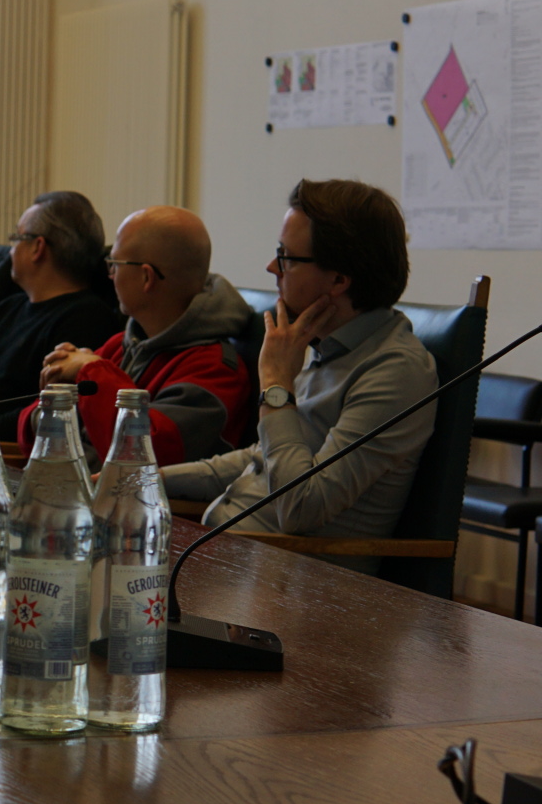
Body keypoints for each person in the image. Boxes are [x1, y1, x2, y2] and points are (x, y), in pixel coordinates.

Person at [159, 179, 437, 569]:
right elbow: (263, 458)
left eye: (286, 257)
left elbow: (301, 508)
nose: (272, 268)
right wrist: (146, 476)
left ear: (339, 279)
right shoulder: (329, 344)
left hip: (296, 581)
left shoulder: (395, 370)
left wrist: (276, 385)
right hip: (232, 558)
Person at [24, 205, 255, 464]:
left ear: (146, 277)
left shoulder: (215, 371)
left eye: (114, 263)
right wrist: (60, 397)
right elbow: (33, 436)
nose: (110, 275)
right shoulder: (122, 345)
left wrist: (93, 373)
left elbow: (141, 454)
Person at [0, 190, 124, 434]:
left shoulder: (87, 320)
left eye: (16, 237)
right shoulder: (6, 309)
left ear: (37, 248)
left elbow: (48, 413)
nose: (10, 251)